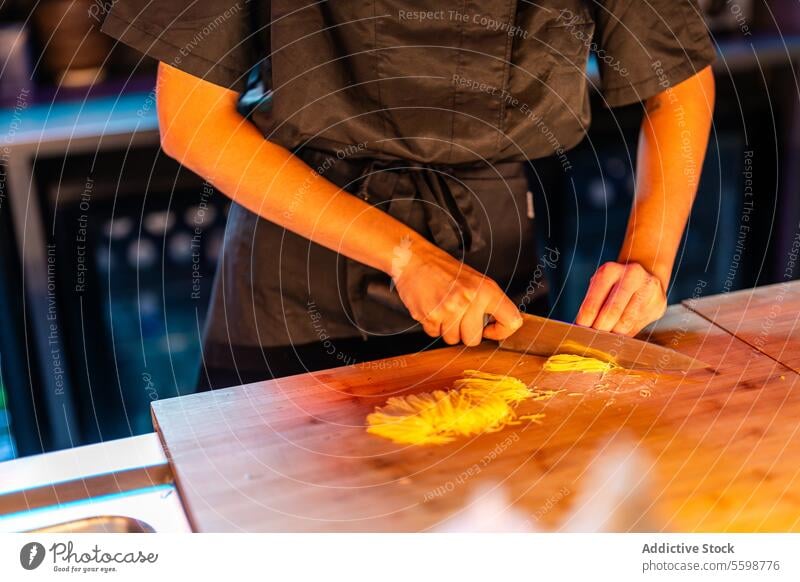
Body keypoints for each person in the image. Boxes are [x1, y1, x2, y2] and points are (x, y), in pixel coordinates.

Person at [101, 1, 715, 388]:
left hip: (497, 278)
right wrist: (406, 255)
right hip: (294, 281)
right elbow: (190, 119)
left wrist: (647, 261)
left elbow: (678, 83)